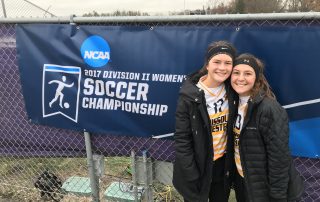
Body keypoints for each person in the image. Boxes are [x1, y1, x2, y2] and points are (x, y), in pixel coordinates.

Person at [231, 53, 303, 202]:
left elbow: (279, 159)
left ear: (257, 78)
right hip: (245, 182)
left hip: (267, 189)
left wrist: (277, 196)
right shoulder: (233, 103)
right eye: (236, 73)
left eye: (248, 73)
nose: (240, 78)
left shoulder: (269, 109)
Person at [172, 41, 238, 202]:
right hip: (198, 166)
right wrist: (191, 172)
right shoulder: (190, 95)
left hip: (223, 167)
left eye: (228, 63)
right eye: (217, 62)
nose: (222, 68)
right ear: (207, 64)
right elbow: (182, 138)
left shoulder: (234, 89)